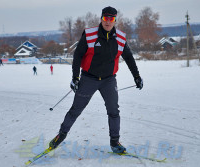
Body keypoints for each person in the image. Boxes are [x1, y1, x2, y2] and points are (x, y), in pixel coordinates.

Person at [49, 6, 143, 154]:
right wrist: (75, 77)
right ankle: (60, 136)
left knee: (114, 111)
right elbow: (78, 55)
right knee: (76, 110)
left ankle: (115, 142)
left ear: (115, 20)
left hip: (109, 80)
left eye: (111, 19)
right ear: (101, 18)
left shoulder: (120, 37)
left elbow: (129, 57)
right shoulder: (90, 35)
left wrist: (136, 76)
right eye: (106, 18)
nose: (108, 22)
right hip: (88, 79)